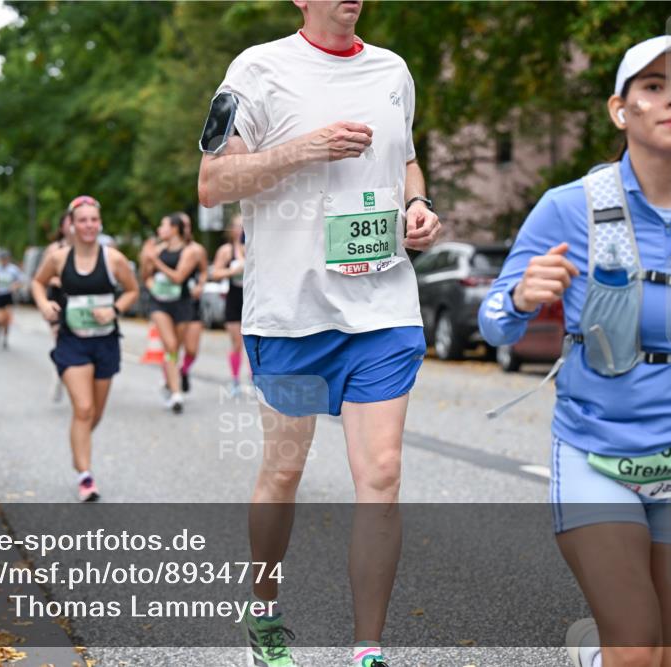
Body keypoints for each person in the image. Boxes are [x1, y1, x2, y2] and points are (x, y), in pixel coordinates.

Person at [197, 2, 441, 665]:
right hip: (294, 315)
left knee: (382, 473)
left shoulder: (393, 71)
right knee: (285, 469)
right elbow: (213, 183)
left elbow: (406, 160)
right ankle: (264, 609)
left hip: (382, 308)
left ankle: (368, 649)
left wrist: (417, 204)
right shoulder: (257, 70)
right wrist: (309, 147)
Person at [478, 36, 671, 667]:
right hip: (597, 456)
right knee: (637, 648)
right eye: (655, 86)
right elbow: (493, 324)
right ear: (621, 110)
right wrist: (520, 299)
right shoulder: (568, 209)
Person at [31, 195, 139, 502]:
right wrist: (44, 305)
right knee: (84, 408)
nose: (89, 225)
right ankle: (86, 476)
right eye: (82, 220)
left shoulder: (114, 259)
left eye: (93, 219)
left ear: (100, 223)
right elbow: (37, 283)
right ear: (72, 225)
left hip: (105, 342)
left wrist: (114, 310)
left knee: (96, 413)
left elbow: (133, 290)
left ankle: (79, 450)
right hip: (72, 341)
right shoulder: (59, 258)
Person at [139, 213, 199, 414]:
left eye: (163, 225)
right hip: (160, 304)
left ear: (174, 229)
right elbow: (145, 275)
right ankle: (176, 394)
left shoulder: (190, 251)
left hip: (182, 303)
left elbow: (178, 277)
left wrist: (155, 261)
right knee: (171, 345)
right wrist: (146, 261)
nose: (159, 229)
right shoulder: (157, 249)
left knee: (176, 349)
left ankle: (169, 382)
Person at [211, 214, 247, 395]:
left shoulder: (254, 248)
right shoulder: (226, 251)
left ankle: (256, 380)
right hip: (234, 299)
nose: (240, 229)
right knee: (236, 343)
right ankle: (235, 380)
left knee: (255, 343)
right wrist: (232, 271)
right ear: (231, 230)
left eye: (243, 225)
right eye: (237, 226)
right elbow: (215, 273)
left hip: (252, 299)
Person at [41, 211, 74, 402]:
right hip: (58, 300)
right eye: (69, 222)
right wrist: (54, 280)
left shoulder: (88, 248)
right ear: (62, 227)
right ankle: (59, 375)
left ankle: (68, 374)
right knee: (59, 340)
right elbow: (40, 277)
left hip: (78, 302)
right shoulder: (54, 249)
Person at [178, 211, 209, 393]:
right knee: (172, 347)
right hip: (172, 304)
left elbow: (204, 271)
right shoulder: (164, 251)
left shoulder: (197, 250)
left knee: (191, 349)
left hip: (192, 303)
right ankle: (171, 383)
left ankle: (183, 370)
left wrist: (200, 285)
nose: (186, 229)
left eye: (188, 225)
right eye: (183, 225)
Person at [0, 250, 25, 348]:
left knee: (7, 318)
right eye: (2, 259)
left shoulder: (13, 269)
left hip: (8, 295)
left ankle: (5, 338)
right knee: (0, 318)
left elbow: (21, 280)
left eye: (5, 259)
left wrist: (15, 286)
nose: (4, 261)